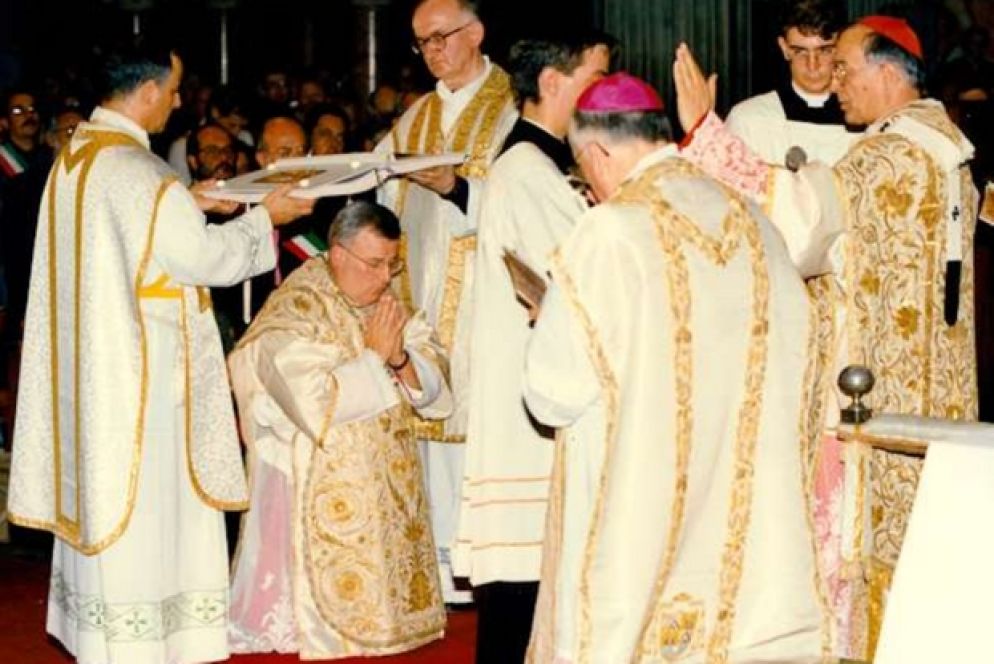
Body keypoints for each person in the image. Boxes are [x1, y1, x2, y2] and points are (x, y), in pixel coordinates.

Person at [6, 39, 313, 664]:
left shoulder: (77, 159)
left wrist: (191, 202)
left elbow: (128, 238)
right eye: (171, 91)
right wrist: (267, 218)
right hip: (143, 396)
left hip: (95, 385)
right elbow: (206, 261)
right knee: (152, 526)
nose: (177, 101)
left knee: (105, 516)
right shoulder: (143, 176)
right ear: (146, 92)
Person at [521, 72, 829, 664]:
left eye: (584, 171)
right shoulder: (753, 222)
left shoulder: (609, 231)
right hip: (747, 505)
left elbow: (552, 394)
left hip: (636, 502)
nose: (589, 186)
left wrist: (549, 318)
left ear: (596, 152)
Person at [676, 16, 980, 421]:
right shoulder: (946, 146)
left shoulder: (888, 155)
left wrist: (707, 138)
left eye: (844, 69)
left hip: (879, 379)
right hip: (934, 375)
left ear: (886, 73)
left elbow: (802, 217)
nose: (835, 83)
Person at [451, 32, 613, 664]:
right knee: (523, 590)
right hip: (534, 413)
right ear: (552, 83)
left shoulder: (538, 165)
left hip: (537, 399)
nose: (603, 91)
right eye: (594, 76)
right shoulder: (526, 170)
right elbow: (584, 280)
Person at [227, 201, 450, 658]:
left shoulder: (381, 297)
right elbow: (311, 403)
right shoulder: (296, 309)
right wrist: (372, 361)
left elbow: (433, 373)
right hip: (309, 478)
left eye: (393, 263)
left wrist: (399, 360)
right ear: (336, 255)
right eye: (374, 263)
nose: (385, 276)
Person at [376, 0, 517, 605]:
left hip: (489, 300)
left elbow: (531, 200)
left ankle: (485, 564)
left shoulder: (515, 108)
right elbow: (377, 181)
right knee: (427, 409)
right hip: (423, 293)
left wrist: (457, 187)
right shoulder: (414, 119)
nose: (432, 51)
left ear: (476, 33)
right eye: (421, 42)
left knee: (481, 419)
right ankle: (439, 570)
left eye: (441, 37)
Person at [726, 0, 855, 167]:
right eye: (800, 51)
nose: (812, 65)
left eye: (824, 50)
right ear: (784, 48)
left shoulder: (865, 123)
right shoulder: (748, 119)